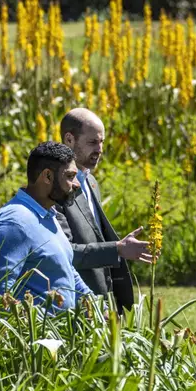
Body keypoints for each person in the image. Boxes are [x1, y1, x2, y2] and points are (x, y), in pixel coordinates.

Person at [56, 108, 152, 314]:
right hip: (76, 304)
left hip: (103, 302)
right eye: (92, 142)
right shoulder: (55, 189)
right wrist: (117, 249)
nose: (100, 149)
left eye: (102, 142)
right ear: (69, 140)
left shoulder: (90, 181)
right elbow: (62, 252)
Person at [0, 141, 94, 312]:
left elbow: (66, 270)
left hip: (60, 336)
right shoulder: (15, 222)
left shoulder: (49, 214)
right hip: (35, 337)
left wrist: (96, 307)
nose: (76, 184)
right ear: (47, 176)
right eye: (70, 176)